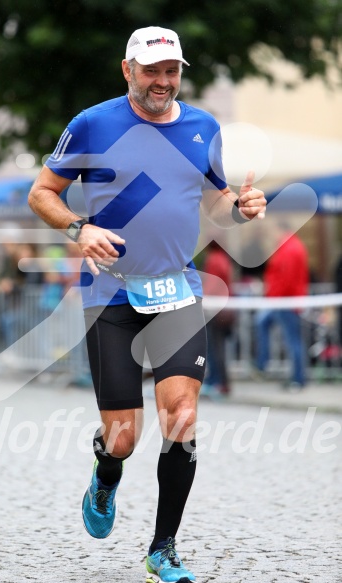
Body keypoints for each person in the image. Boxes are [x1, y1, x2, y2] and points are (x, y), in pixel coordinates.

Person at [28, 26, 266, 583]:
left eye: (171, 71)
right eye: (151, 70)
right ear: (127, 70)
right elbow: (42, 193)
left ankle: (163, 549)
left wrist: (243, 207)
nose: (162, 81)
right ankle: (106, 474)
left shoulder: (203, 126)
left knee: (181, 419)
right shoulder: (93, 123)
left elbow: (216, 204)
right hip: (110, 293)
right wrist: (78, 228)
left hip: (177, 290)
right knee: (123, 438)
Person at [255, 221, 309, 390]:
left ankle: (297, 378)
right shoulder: (291, 246)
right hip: (285, 300)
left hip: (285, 301)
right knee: (265, 324)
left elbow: (285, 279)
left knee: (293, 341)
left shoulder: (289, 248)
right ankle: (264, 363)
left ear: (281, 230)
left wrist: (272, 297)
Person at [201, 241, 234, 397]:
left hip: (215, 309)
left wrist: (202, 299)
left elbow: (212, 285)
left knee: (215, 348)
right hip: (225, 308)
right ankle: (221, 381)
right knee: (219, 348)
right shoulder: (224, 259)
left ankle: (217, 381)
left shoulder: (213, 259)